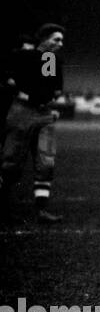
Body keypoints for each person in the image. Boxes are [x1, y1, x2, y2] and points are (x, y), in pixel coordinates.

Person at [1, 24, 66, 225]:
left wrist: (47, 96)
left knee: (46, 163)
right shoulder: (22, 55)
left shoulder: (50, 60)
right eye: (56, 39)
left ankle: (41, 211)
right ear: (44, 38)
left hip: (44, 113)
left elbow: (53, 88)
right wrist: (12, 83)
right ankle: (4, 210)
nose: (60, 44)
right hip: (22, 111)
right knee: (11, 164)